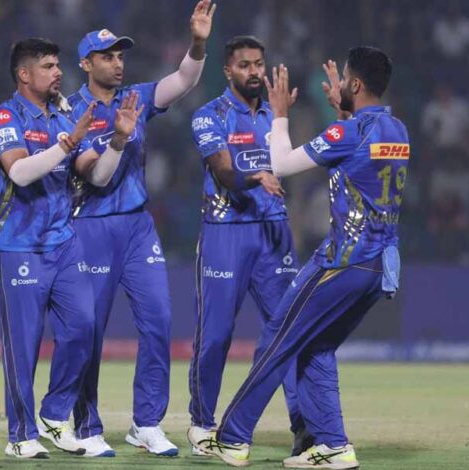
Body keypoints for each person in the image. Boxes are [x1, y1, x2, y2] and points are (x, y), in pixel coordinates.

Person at [189, 46, 409, 469]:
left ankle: (232, 439)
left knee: (278, 337)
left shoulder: (349, 131)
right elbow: (360, 156)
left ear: (355, 84)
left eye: (345, 80)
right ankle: (333, 445)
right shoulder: (398, 129)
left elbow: (283, 164)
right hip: (380, 264)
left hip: (342, 261)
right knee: (316, 346)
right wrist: (343, 113)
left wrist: (279, 115)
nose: (339, 86)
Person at [66, 0, 216, 458]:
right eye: (107, 56)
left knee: (159, 321)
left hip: (137, 228)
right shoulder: (69, 111)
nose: (117, 63)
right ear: (86, 64)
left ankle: (146, 423)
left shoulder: (137, 98)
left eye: (120, 56)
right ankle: (87, 426)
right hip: (90, 227)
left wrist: (197, 43)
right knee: (89, 330)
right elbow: (95, 179)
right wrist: (118, 136)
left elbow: (184, 80)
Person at [0, 37, 141, 459]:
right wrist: (68, 143)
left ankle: (54, 415)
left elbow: (97, 177)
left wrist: (117, 141)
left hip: (63, 241)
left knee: (84, 327)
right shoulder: (5, 116)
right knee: (25, 344)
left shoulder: (64, 117)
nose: (58, 73)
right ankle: (21, 435)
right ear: (24, 74)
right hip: (18, 244)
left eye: (58, 65)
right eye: (49, 66)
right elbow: (19, 172)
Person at [187, 35, 311, 458]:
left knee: (290, 331)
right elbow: (223, 171)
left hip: (274, 231)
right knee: (216, 334)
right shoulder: (210, 115)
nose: (254, 71)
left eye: (259, 63)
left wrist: (284, 118)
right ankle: (203, 423)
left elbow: (293, 163)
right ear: (228, 71)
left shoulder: (276, 115)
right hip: (226, 232)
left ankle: (304, 428)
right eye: (244, 65)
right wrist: (256, 176)